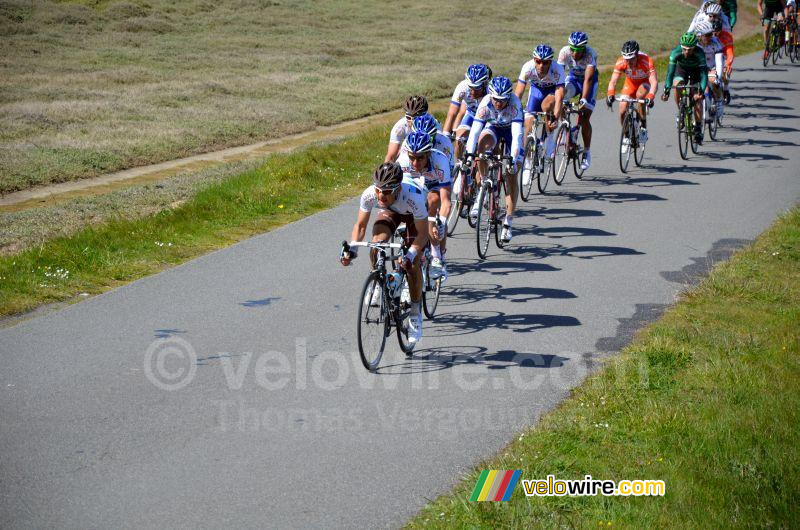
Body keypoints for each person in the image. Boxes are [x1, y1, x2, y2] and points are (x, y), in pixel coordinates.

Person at [341, 163, 429, 345]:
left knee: (412, 265)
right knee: (377, 244)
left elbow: (423, 234)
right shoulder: (371, 195)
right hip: (391, 211)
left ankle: (414, 314)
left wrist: (411, 254)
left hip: (414, 216)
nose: (381, 195)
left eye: (387, 191)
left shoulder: (414, 196)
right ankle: (378, 283)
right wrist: (352, 250)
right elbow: (361, 226)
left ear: (398, 189)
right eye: (379, 190)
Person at [465, 76, 524, 243]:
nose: (498, 103)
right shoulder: (484, 104)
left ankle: (508, 222)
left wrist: (512, 159)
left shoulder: (514, 104)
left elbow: (517, 135)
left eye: (502, 100)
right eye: (496, 99)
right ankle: (484, 183)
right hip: (494, 128)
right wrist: (470, 155)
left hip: (510, 131)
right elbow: (475, 132)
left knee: (511, 175)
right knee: (480, 147)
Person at [397, 131, 452, 279]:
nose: (415, 163)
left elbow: (446, 200)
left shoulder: (440, 161)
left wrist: (443, 222)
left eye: (420, 158)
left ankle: (437, 255)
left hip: (434, 184)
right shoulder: (403, 161)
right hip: (414, 184)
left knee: (433, 201)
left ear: (428, 154)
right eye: (412, 158)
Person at [514, 43, 565, 183]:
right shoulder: (528, 67)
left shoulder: (557, 69)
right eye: (538, 61)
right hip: (536, 92)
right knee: (527, 125)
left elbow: (560, 95)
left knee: (546, 105)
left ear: (551, 62)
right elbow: (518, 93)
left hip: (552, 92)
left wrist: (555, 117)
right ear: (534, 60)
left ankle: (549, 139)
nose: (541, 65)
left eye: (545, 62)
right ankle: (528, 162)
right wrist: (513, 113)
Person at [606, 40, 658, 152]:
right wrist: (610, 94)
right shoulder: (621, 62)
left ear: (637, 55)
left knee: (640, 97)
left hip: (644, 84)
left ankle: (643, 126)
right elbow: (613, 81)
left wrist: (651, 96)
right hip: (630, 84)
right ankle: (626, 136)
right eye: (626, 59)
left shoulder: (646, 61)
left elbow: (654, 82)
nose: (628, 62)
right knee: (622, 108)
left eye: (631, 59)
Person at [557, 31, 598, 170]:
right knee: (561, 98)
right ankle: (565, 128)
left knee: (585, 115)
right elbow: (559, 77)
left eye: (578, 50)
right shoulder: (564, 52)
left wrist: (584, 100)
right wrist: (559, 97)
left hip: (589, 83)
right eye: (572, 49)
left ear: (584, 48)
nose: (574, 53)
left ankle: (587, 152)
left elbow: (588, 79)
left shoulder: (590, 55)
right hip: (573, 79)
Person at [661, 32, 708, 146]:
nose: (687, 52)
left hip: (696, 72)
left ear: (695, 47)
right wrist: (666, 90)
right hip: (681, 69)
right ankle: (681, 110)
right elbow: (670, 74)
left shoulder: (700, 53)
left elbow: (703, 75)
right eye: (684, 49)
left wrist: (700, 91)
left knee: (697, 99)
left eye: (690, 49)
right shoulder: (675, 53)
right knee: (678, 85)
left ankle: (697, 128)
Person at [443, 64, 491, 162]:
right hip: (471, 115)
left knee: (485, 149)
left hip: (488, 118)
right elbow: (452, 114)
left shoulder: (491, 91)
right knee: (459, 138)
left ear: (485, 84)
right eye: (470, 87)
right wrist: (445, 136)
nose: (472, 92)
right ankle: (459, 166)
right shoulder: (462, 87)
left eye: (476, 88)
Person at [696, 21, 725, 123]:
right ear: (699, 36)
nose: (710, 36)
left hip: (713, 66)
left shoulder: (715, 43)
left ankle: (719, 101)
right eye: (707, 35)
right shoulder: (695, 44)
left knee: (713, 81)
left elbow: (719, 62)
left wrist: (718, 77)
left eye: (711, 34)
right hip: (701, 68)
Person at [385, 95, 428, 163]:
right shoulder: (400, 127)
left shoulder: (432, 125)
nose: (412, 122)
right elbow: (391, 156)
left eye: (416, 118)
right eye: (408, 118)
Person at [711, 18, 735, 103]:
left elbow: (730, 53)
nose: (714, 34)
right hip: (711, 56)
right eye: (712, 31)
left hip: (723, 56)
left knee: (726, 72)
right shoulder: (706, 36)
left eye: (716, 31)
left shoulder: (727, 36)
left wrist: (727, 64)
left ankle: (725, 89)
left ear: (720, 30)